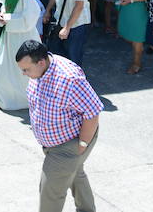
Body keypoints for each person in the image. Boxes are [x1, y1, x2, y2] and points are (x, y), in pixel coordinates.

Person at [16, 40, 102, 212]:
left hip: (69, 145)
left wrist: (82, 144)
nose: (24, 74)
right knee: (75, 174)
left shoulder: (69, 78)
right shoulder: (40, 70)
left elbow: (93, 112)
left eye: (26, 69)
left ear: (41, 62)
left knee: (50, 193)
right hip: (54, 144)